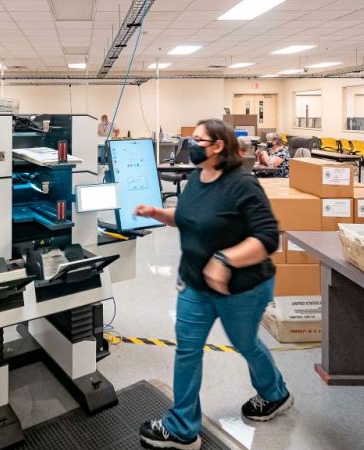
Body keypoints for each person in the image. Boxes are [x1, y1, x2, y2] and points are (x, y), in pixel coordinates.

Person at [134, 119, 291, 450]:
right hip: (195, 284)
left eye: (198, 140)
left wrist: (223, 260)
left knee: (245, 343)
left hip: (243, 287)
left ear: (218, 146)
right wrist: (159, 214)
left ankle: (275, 393)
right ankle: (182, 427)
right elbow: (191, 217)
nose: (191, 144)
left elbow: (267, 238)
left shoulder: (243, 185)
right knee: (187, 349)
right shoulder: (197, 179)